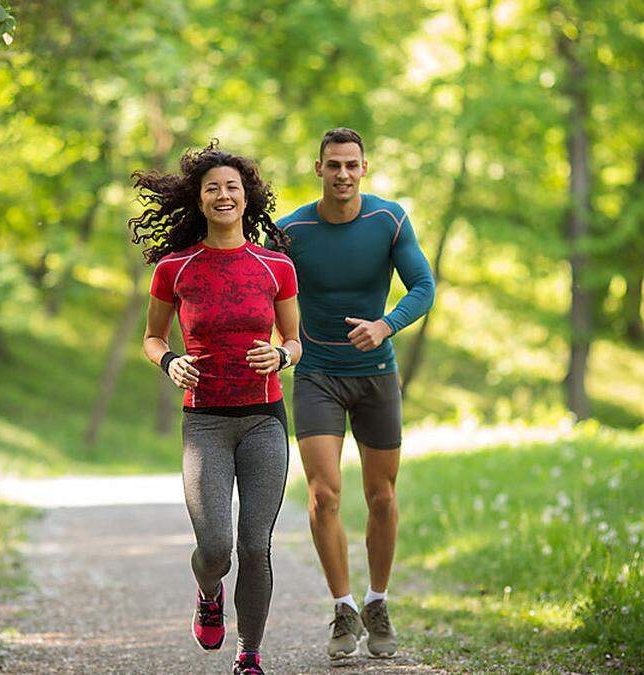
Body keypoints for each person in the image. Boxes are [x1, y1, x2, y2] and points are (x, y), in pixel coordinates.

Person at [131, 141, 301, 675]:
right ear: (200, 201)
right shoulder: (175, 268)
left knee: (256, 545)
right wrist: (169, 363)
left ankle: (248, 653)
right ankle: (208, 593)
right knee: (216, 546)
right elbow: (153, 338)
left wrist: (280, 355)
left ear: (247, 197)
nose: (223, 195)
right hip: (204, 421)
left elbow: (297, 341)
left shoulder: (275, 266)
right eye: (212, 189)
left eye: (232, 186)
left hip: (263, 418)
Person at [271, 127, 435, 663]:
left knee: (382, 497)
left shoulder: (388, 220)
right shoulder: (290, 231)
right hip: (317, 372)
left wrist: (385, 326)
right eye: (333, 164)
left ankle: (378, 602)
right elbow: (264, 289)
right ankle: (343, 608)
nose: (343, 174)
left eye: (351, 165)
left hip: (376, 375)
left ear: (365, 168)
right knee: (323, 494)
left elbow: (423, 288)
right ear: (317, 168)